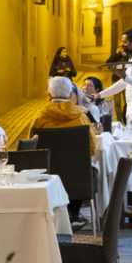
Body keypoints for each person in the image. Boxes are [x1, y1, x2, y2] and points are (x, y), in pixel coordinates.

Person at [31, 77, 95, 223]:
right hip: (78, 179)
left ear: (49, 95)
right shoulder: (81, 117)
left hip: (47, 177)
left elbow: (32, 148)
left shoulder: (39, 118)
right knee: (83, 169)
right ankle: (74, 213)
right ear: (70, 94)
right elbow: (91, 149)